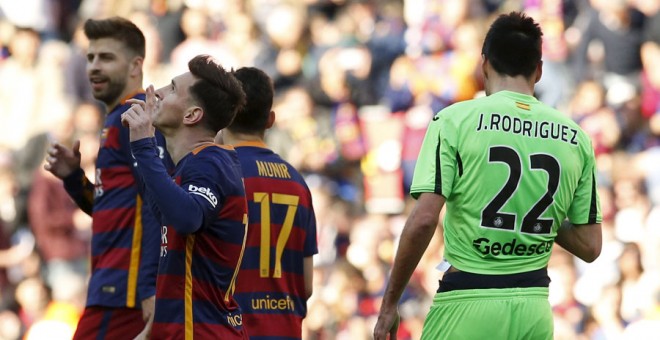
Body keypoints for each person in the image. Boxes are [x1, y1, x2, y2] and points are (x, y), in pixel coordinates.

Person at [373, 12, 603, 340]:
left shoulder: (453, 121)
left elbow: (424, 220)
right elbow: (591, 246)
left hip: (467, 302)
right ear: (538, 70)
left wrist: (389, 304)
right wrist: (531, 214)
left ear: (484, 65)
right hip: (534, 309)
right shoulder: (576, 137)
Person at [44, 17, 173, 339]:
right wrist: (74, 178)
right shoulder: (116, 120)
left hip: (126, 293)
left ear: (135, 65)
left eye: (106, 58)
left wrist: (148, 286)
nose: (94, 67)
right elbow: (115, 207)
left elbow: (157, 202)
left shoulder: (135, 119)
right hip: (111, 286)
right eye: (90, 58)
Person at [120, 54, 249, 339]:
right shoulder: (190, 166)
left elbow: (187, 218)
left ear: (192, 115)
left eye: (172, 89)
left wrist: (144, 147)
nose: (157, 92)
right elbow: (161, 211)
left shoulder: (211, 162)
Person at [219, 67, 318, 339]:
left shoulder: (217, 174)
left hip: (231, 330)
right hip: (285, 330)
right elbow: (306, 285)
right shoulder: (298, 183)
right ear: (271, 119)